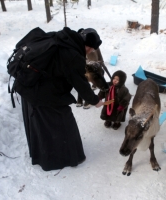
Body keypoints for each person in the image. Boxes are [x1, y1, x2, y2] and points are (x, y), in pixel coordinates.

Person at [21, 27, 109, 171]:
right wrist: (95, 101)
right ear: (86, 45)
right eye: (91, 49)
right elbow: (81, 83)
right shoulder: (73, 55)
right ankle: (61, 159)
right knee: (63, 121)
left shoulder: (62, 38)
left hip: (27, 83)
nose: (91, 52)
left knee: (43, 124)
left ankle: (42, 153)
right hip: (37, 91)